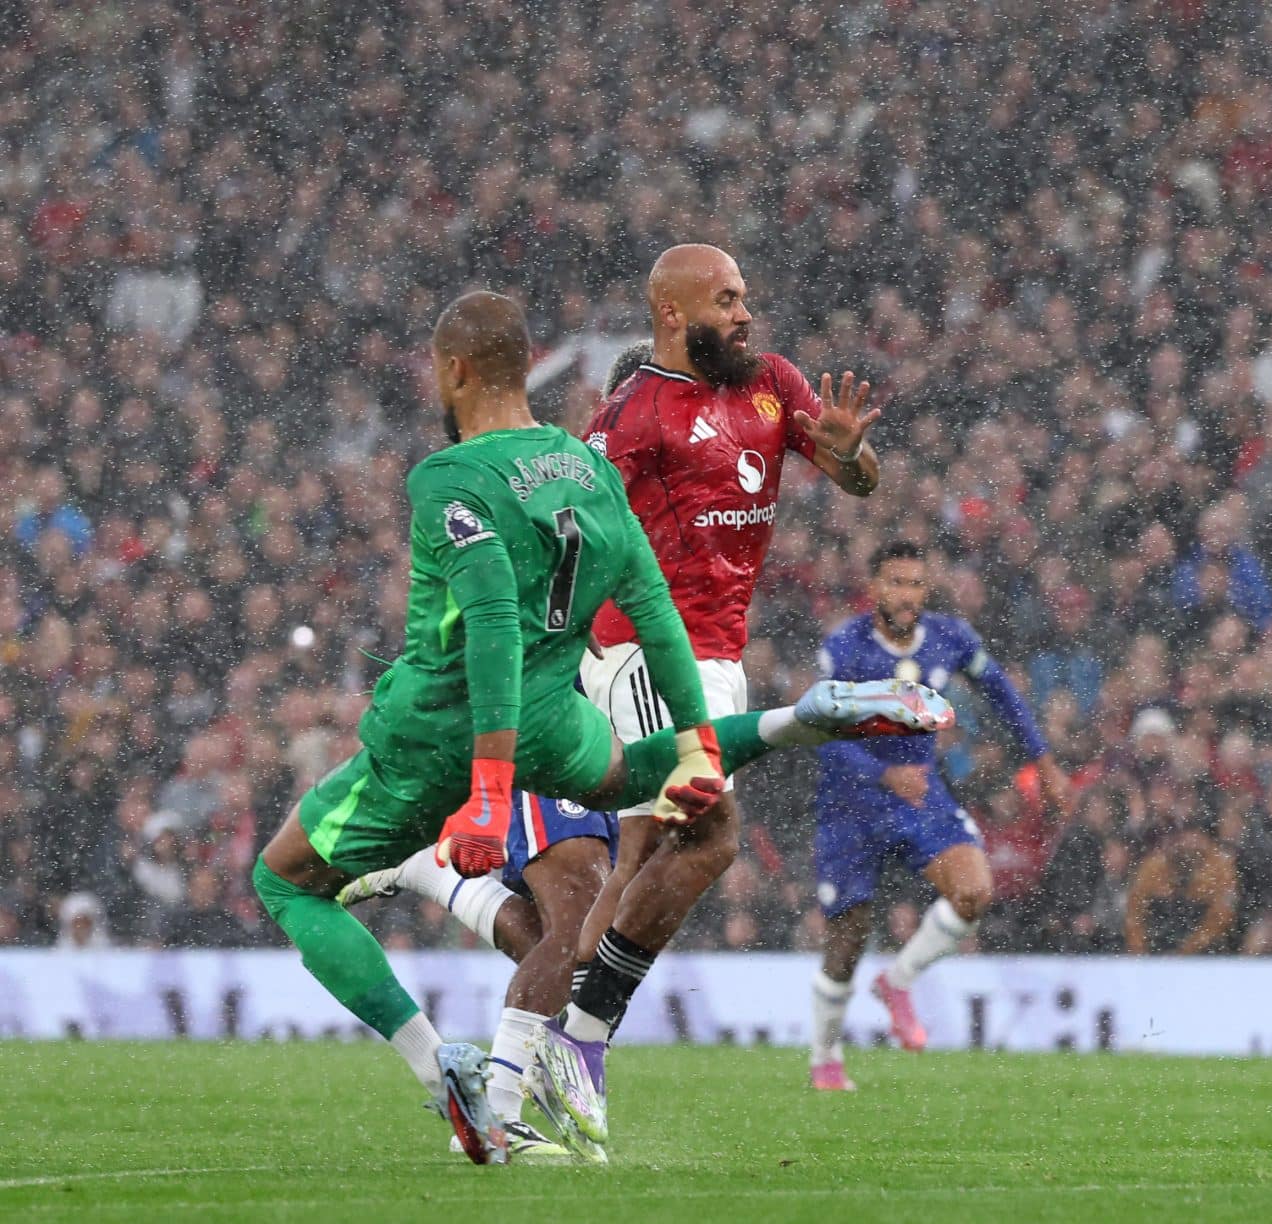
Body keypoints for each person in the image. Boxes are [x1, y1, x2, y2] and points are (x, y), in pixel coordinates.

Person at [249, 290, 731, 1165]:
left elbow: (496, 620)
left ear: (456, 370)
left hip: (445, 734)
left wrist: (486, 793)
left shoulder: (447, 477)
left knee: (284, 879)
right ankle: (801, 721)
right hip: (557, 722)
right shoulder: (585, 465)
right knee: (602, 837)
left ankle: (448, 1072)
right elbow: (655, 607)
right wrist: (697, 740)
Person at [533, 244, 884, 1128]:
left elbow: (858, 481)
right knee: (712, 832)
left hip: (718, 657)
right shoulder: (632, 414)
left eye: (744, 297)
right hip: (645, 651)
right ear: (672, 313)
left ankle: (541, 1053)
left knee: (643, 857)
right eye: (726, 300)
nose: (743, 314)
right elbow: (564, 530)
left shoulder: (772, 384)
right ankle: (579, 1040)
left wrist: (849, 457)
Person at [337, 678, 951, 1159]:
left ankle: (432, 873)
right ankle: (496, 1112)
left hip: (623, 739)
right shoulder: (604, 575)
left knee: (575, 944)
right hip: (559, 726)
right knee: (576, 924)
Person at [803, 541, 1070, 1091]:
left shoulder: (951, 639)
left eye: (916, 584)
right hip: (851, 804)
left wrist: (1043, 762)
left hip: (920, 796)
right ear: (874, 588)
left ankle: (898, 981)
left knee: (974, 891)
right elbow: (820, 733)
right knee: (848, 938)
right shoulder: (845, 648)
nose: (908, 595)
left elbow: (1003, 695)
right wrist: (882, 773)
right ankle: (825, 1056)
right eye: (896, 583)